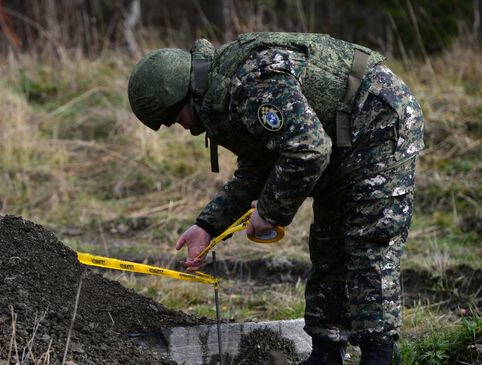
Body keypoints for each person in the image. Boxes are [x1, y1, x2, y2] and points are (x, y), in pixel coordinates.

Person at [127, 32, 423, 365]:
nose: (178, 127)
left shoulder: (250, 83)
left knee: (368, 244)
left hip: (377, 120)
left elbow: (307, 150)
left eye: (172, 119)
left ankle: (380, 356)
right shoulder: (221, 97)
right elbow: (257, 167)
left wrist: (270, 211)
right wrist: (207, 225)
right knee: (329, 244)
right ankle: (326, 354)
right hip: (337, 135)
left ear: (181, 96)